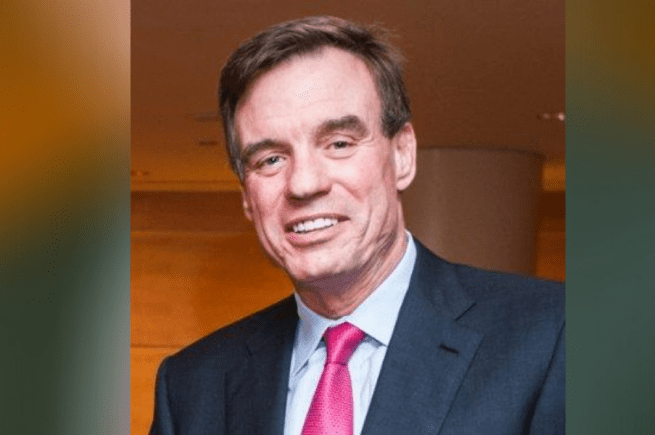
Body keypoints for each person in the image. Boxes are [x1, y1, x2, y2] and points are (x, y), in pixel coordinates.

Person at [149, 16, 564, 435]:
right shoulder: (191, 387)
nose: (304, 183)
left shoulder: (553, 336)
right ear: (246, 196)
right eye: (270, 159)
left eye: (339, 144)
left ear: (402, 155)